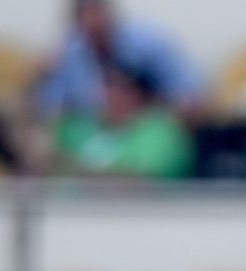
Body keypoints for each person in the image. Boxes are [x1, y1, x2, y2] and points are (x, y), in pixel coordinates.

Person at [31, 0, 205, 122]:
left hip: (153, 124)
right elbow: (51, 106)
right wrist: (41, 76)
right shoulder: (70, 52)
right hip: (97, 132)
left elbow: (192, 95)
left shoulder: (150, 42)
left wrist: (151, 111)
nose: (94, 24)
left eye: (98, 14)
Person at [47, 61, 194, 181]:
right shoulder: (83, 127)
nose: (111, 96)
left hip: (131, 214)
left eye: (121, 90)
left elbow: (139, 183)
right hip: (62, 212)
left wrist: (77, 171)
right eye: (108, 87)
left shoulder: (161, 133)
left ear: (141, 95)